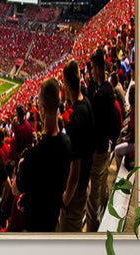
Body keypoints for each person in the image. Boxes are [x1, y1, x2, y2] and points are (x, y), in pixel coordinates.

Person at [14, 78, 72, 232]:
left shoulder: (34, 156)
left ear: (43, 109)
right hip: (54, 219)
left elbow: (16, 188)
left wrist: (20, 167)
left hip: (36, 227)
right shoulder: (67, 143)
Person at [86, 48, 121, 231]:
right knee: (102, 187)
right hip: (105, 148)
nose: (91, 72)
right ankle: (106, 211)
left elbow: (96, 125)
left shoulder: (102, 94)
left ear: (98, 68)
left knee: (93, 198)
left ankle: (92, 231)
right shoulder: (106, 90)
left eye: (92, 68)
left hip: (99, 151)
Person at [59, 60, 95, 232]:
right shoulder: (87, 103)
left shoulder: (74, 119)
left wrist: (65, 200)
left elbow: (75, 167)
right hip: (85, 181)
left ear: (66, 84)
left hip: (76, 192)